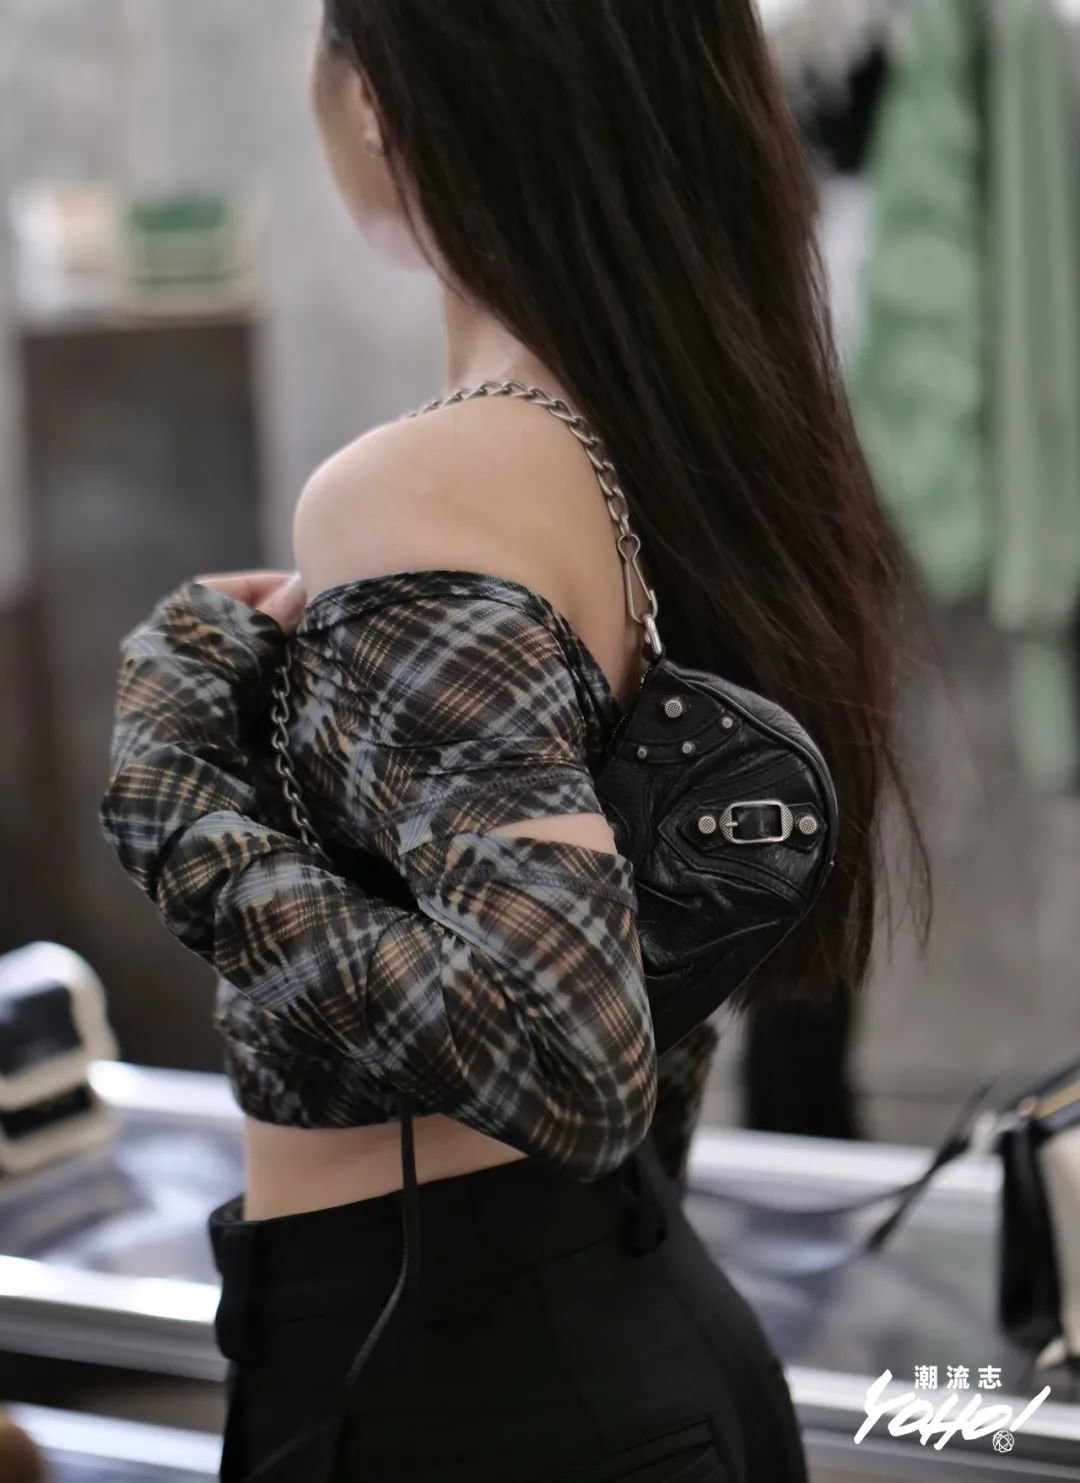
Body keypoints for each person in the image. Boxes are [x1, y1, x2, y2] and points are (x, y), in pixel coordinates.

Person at [100, 4, 925, 1480]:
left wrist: (179, 807)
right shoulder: (674, 438)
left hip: (449, 1388)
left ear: (378, 96)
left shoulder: (433, 481)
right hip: (620, 1318)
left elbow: (561, 1050)